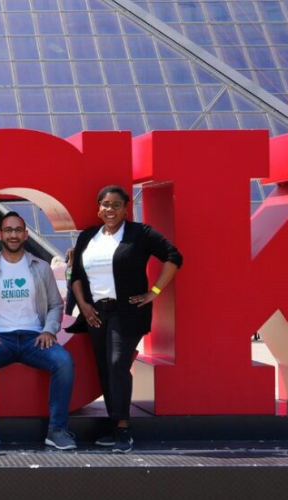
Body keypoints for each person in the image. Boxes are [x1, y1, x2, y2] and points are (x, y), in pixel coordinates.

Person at [68, 185, 182, 453]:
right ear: (98, 208)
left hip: (127, 312)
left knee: (118, 363)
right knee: (105, 368)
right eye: (105, 204)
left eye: (116, 205)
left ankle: (122, 429)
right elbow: (76, 276)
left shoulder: (139, 233)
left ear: (125, 209)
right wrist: (84, 306)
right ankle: (112, 424)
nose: (110, 210)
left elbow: (174, 257)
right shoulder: (88, 237)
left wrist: (153, 292)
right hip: (96, 314)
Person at [0, 212, 74, 451]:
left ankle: (57, 430)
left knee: (63, 361)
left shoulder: (41, 267)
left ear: (25, 235)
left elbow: (56, 305)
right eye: (8, 230)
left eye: (17, 230)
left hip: (34, 338)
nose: (13, 235)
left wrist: (49, 330)